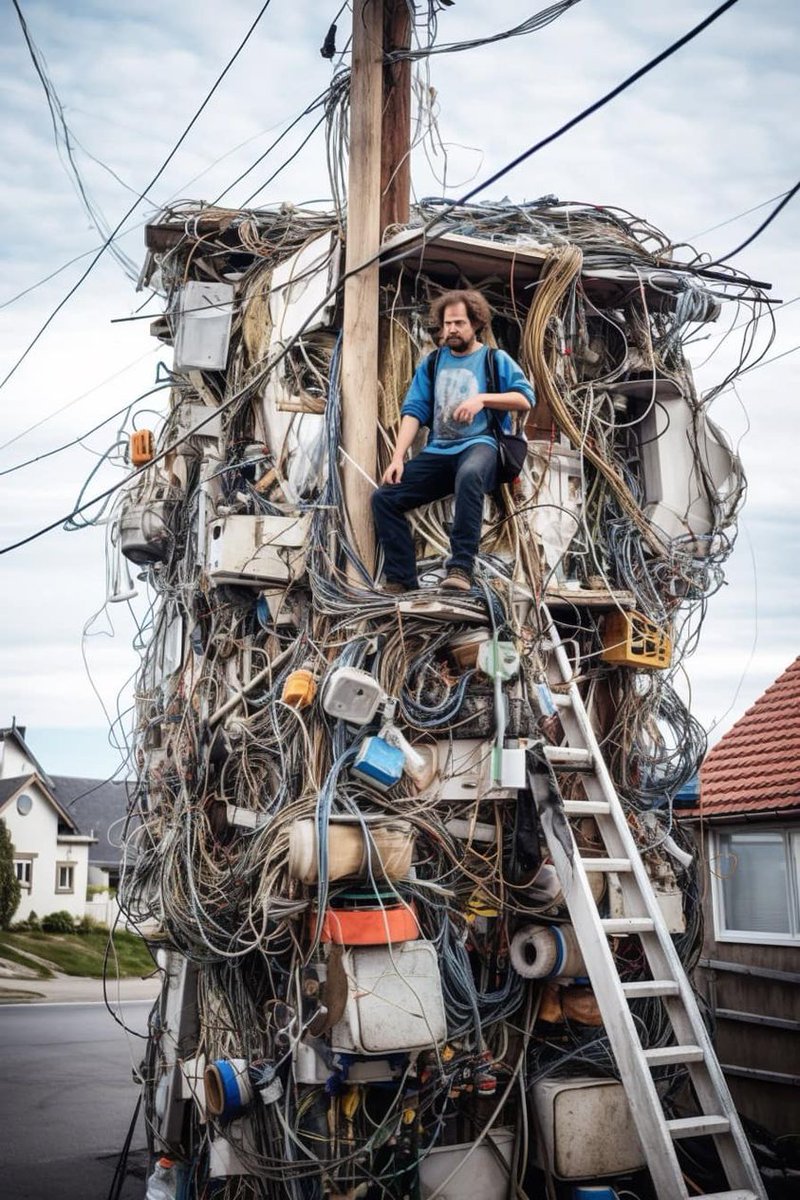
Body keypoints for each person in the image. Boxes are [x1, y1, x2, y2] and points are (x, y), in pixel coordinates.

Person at [372, 289, 535, 593]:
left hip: (480, 444)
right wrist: (397, 458)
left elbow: (525, 398)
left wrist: (482, 400)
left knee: (470, 474)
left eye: (459, 323)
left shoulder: (492, 359)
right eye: (447, 324)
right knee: (384, 498)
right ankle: (401, 579)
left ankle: (461, 567)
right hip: (439, 451)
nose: (452, 330)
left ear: (476, 324)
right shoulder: (433, 363)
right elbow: (414, 411)